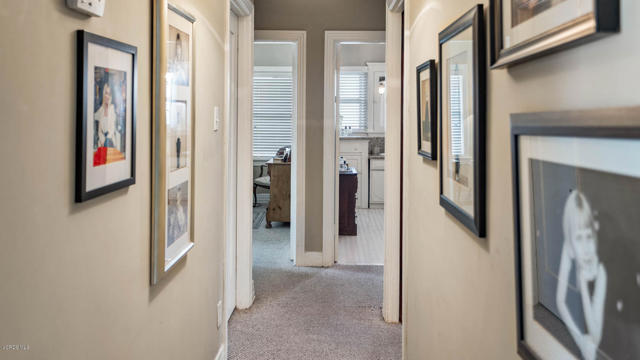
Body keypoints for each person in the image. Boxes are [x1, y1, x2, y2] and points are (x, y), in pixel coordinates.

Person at [556, 190, 607, 360]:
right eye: (578, 238)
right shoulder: (568, 247)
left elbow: (596, 336)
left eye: (588, 237)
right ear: (571, 240)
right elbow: (560, 300)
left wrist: (584, 286)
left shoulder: (601, 270)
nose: (585, 248)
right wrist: (579, 340)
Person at [94, 82, 120, 151]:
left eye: (109, 94)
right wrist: (102, 140)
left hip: (110, 142)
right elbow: (99, 131)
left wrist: (105, 140)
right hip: (101, 143)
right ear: (103, 94)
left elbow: (112, 129)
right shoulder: (101, 110)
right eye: (106, 93)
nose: (107, 96)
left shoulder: (112, 108)